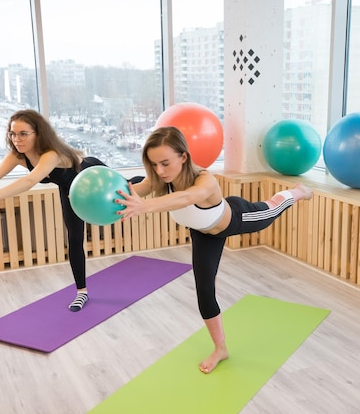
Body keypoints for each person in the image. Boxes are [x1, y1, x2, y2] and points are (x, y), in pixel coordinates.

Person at [117, 126, 313, 373]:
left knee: (272, 209)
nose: (159, 170)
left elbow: (185, 198)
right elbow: (130, 191)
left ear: (183, 157)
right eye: (154, 164)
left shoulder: (204, 180)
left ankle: (298, 192)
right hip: (203, 233)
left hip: (235, 219)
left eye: (165, 163)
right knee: (204, 289)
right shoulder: (159, 179)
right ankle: (221, 348)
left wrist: (144, 207)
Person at [0, 109, 139, 312]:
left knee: (130, 189)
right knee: (74, 238)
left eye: (23, 133)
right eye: (13, 133)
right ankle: (81, 293)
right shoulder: (17, 156)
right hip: (70, 191)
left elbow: (30, 180)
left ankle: (153, 180)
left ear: (38, 134)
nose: (16, 139)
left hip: (92, 174)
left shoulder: (51, 154)